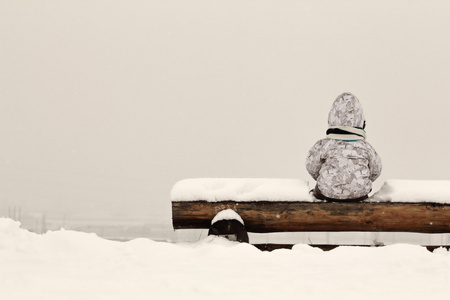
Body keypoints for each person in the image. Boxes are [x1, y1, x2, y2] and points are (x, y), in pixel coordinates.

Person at [306, 93, 382, 201]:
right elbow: (376, 169)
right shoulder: (366, 147)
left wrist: (325, 177)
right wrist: (360, 181)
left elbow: (311, 165)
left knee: (317, 191)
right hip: (359, 194)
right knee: (360, 190)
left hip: (327, 192)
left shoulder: (325, 144)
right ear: (361, 120)